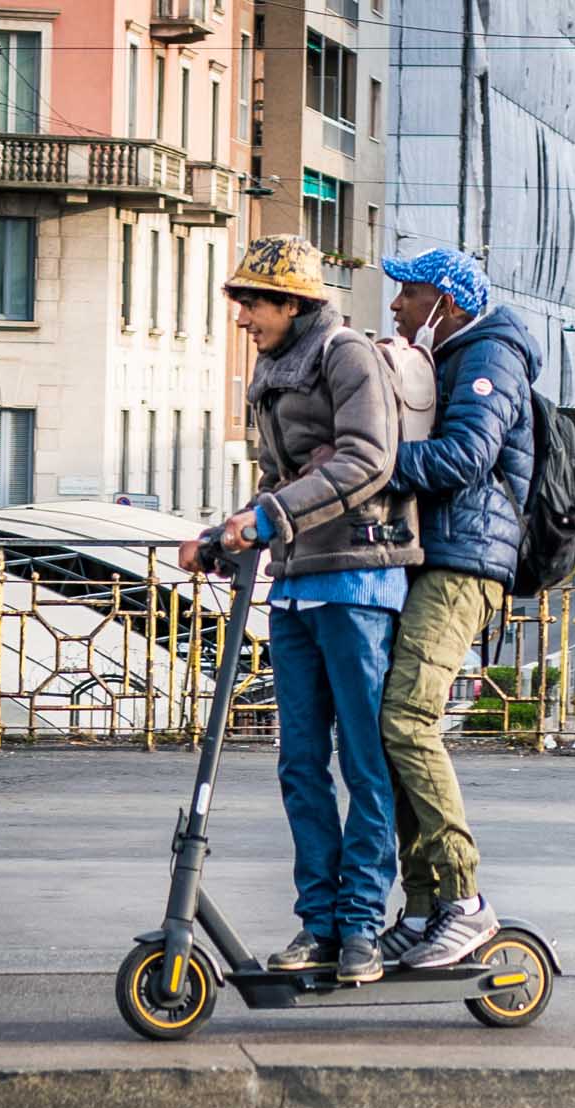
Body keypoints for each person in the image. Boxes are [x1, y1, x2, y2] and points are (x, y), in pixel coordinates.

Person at [180, 234, 417, 986]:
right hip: (295, 580)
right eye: (242, 301)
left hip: (358, 577)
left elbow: (365, 458)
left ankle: (360, 928)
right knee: (299, 763)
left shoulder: (346, 354)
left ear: (293, 302)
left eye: (253, 301)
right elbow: (284, 479)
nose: (243, 316)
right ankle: (317, 923)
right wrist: (224, 530)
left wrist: (268, 513)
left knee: (364, 761)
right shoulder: (274, 366)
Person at [374, 246, 540, 967]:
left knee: (408, 718)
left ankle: (466, 901)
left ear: (448, 300)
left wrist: (372, 469)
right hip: (439, 553)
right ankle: (423, 905)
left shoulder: (490, 357)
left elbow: (467, 456)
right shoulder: (456, 354)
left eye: (408, 294)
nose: (397, 306)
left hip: (466, 561)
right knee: (392, 725)